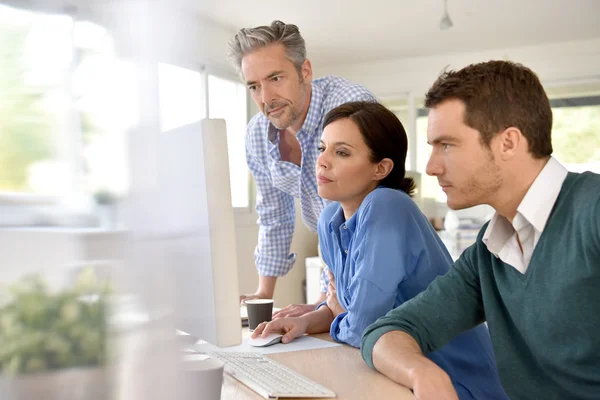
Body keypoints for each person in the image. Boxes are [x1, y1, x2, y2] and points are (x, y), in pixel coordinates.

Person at [360, 61, 600, 400]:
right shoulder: (490, 250)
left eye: (447, 145)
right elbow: (386, 332)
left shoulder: (592, 209)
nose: (431, 167)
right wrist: (422, 371)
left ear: (508, 142)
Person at [252, 101, 508, 400]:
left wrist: (340, 313)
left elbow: (362, 326)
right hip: (393, 375)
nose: (322, 161)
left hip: (453, 382)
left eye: (342, 152)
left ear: (381, 168)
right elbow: (345, 308)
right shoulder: (329, 220)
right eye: (323, 148)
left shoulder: (388, 205)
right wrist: (305, 322)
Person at [227, 20, 377, 315]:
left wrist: (322, 302)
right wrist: (262, 296)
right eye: (254, 86)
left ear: (304, 71)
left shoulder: (347, 108)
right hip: (334, 256)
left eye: (275, 78)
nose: (266, 98)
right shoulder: (258, 134)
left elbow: (352, 218)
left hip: (374, 250)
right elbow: (274, 215)